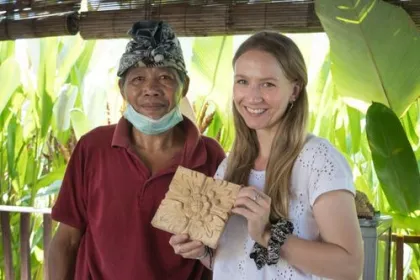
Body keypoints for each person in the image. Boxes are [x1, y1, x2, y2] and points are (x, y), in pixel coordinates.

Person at [171, 31, 364, 279]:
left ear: (294, 90)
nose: (252, 96)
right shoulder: (229, 166)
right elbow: (237, 261)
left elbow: (349, 268)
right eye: (242, 81)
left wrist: (266, 234)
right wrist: (200, 250)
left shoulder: (318, 159)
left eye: (268, 84)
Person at [48, 20, 225, 280]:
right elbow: (66, 241)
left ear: (184, 87)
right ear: (122, 89)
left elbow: (219, 252)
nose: (150, 89)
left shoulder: (208, 156)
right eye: (138, 79)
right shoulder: (93, 148)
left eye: (165, 77)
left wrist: (204, 247)